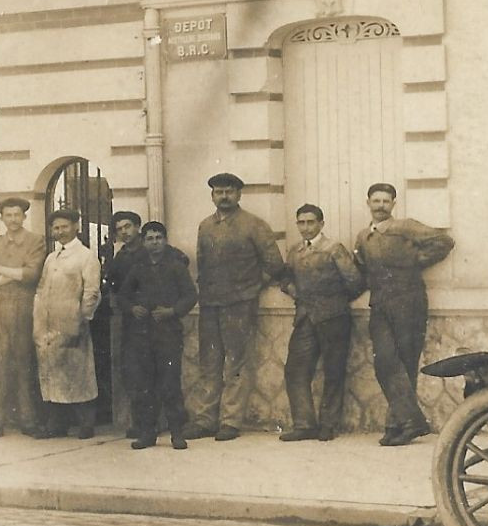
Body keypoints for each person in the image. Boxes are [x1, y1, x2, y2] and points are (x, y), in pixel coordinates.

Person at [354, 183, 455, 447]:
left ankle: (396, 424)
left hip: (409, 301)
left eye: (386, 201)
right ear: (368, 203)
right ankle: (411, 420)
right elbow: (361, 268)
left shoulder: (406, 227)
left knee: (406, 361)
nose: (380, 206)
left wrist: (416, 261)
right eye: (376, 201)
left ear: (394, 204)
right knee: (384, 360)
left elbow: (443, 241)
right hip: (380, 303)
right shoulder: (364, 237)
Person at [191, 172, 285, 441]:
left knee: (236, 362)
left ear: (239, 194)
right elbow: (202, 263)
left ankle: (230, 421)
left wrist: (251, 289)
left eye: (229, 191)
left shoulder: (253, 225)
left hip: (239, 304)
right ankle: (205, 419)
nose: (224, 196)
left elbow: (275, 264)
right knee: (209, 362)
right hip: (210, 303)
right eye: (219, 192)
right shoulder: (205, 226)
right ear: (212, 196)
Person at [278, 204, 362, 442]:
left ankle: (328, 424)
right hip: (305, 318)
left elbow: (354, 281)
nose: (305, 228)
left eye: (310, 222)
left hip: (333, 319)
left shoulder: (333, 249)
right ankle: (304, 425)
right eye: (301, 223)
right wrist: (290, 288)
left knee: (333, 371)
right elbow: (285, 276)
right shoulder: (295, 251)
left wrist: (332, 302)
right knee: (295, 370)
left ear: (321, 224)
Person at [120, 221, 197, 450]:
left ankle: (176, 433)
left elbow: (190, 296)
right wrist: (133, 308)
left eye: (159, 238)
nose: (155, 243)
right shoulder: (138, 268)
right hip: (142, 335)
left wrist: (172, 311)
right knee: (145, 385)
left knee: (170, 384)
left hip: (168, 334)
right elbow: (123, 296)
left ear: (165, 240)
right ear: (143, 242)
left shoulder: (176, 266)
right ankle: (147, 434)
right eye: (150, 239)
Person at [0, 196, 45, 440]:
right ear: (2, 218)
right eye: (8, 215)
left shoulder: (35, 241)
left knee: (24, 363)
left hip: (24, 309)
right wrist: (15, 273)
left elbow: (31, 274)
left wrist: (1, 271)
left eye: (17, 215)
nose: (13, 220)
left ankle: (29, 419)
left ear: (24, 217)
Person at [33, 208, 101, 439]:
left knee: (78, 373)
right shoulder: (51, 258)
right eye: (56, 228)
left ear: (76, 227)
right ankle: (57, 423)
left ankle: (86, 423)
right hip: (49, 325)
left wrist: (83, 318)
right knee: (53, 372)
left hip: (73, 322)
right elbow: (42, 290)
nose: (60, 231)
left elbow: (91, 291)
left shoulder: (85, 256)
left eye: (64, 226)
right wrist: (39, 322)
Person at [102, 209, 145, 435]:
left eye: (128, 226)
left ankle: (152, 422)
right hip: (130, 319)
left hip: (151, 318)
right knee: (133, 371)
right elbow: (112, 283)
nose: (124, 232)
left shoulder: (151, 250)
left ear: (137, 226)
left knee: (151, 371)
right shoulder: (121, 256)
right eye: (119, 229)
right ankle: (139, 422)